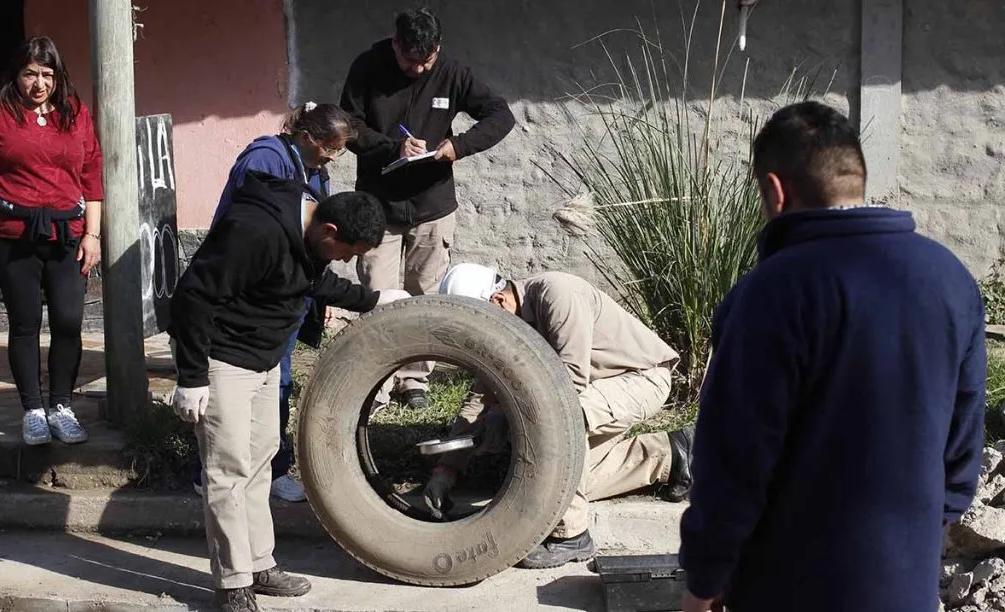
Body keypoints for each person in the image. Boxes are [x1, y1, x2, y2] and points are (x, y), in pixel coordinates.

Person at [678, 102, 986, 612]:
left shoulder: (768, 295)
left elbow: (733, 463)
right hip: (905, 586)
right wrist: (924, 539)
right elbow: (962, 443)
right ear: (857, 178)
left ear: (776, 191)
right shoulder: (950, 279)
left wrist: (704, 580)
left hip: (788, 588)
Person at [168, 171, 405, 611]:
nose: (342, 261)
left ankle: (258, 563)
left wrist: (373, 300)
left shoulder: (312, 234)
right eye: (346, 252)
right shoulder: (254, 232)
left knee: (259, 463)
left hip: (263, 358)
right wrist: (192, 377)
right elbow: (192, 299)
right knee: (226, 472)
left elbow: (312, 281)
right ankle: (232, 583)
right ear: (329, 229)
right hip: (224, 360)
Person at [430, 263, 694, 569]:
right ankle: (671, 454)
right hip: (596, 387)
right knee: (558, 481)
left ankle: (571, 536)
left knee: (555, 423)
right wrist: (445, 471)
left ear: (498, 301)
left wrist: (508, 415)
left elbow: (570, 381)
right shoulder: (510, 325)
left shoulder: (557, 293)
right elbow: (479, 398)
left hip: (641, 378)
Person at [339, 7, 516, 411]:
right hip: (377, 206)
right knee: (379, 296)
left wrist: (459, 146)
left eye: (427, 61)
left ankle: (415, 379)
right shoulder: (367, 66)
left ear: (438, 50)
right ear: (395, 43)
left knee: (425, 296)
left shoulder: (453, 73)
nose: (419, 69)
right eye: (410, 60)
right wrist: (391, 147)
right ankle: (376, 385)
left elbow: (499, 115)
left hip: (433, 206)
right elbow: (349, 126)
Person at [188, 101, 355, 503]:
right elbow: (257, 226)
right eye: (329, 148)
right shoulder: (265, 159)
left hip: (287, 295)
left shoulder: (313, 167)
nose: (332, 157)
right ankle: (216, 474)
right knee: (244, 393)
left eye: (338, 151)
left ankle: (268, 467)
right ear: (306, 137)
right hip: (252, 297)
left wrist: (317, 289)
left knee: (277, 387)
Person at [0, 36, 102, 446]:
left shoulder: (74, 113)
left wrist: (93, 233)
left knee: (69, 322)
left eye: (47, 74)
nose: (39, 83)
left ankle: (61, 406)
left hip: (67, 233)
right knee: (26, 322)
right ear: (15, 74)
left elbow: (92, 174)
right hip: (11, 236)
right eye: (30, 73)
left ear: (58, 75)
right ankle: (33, 409)